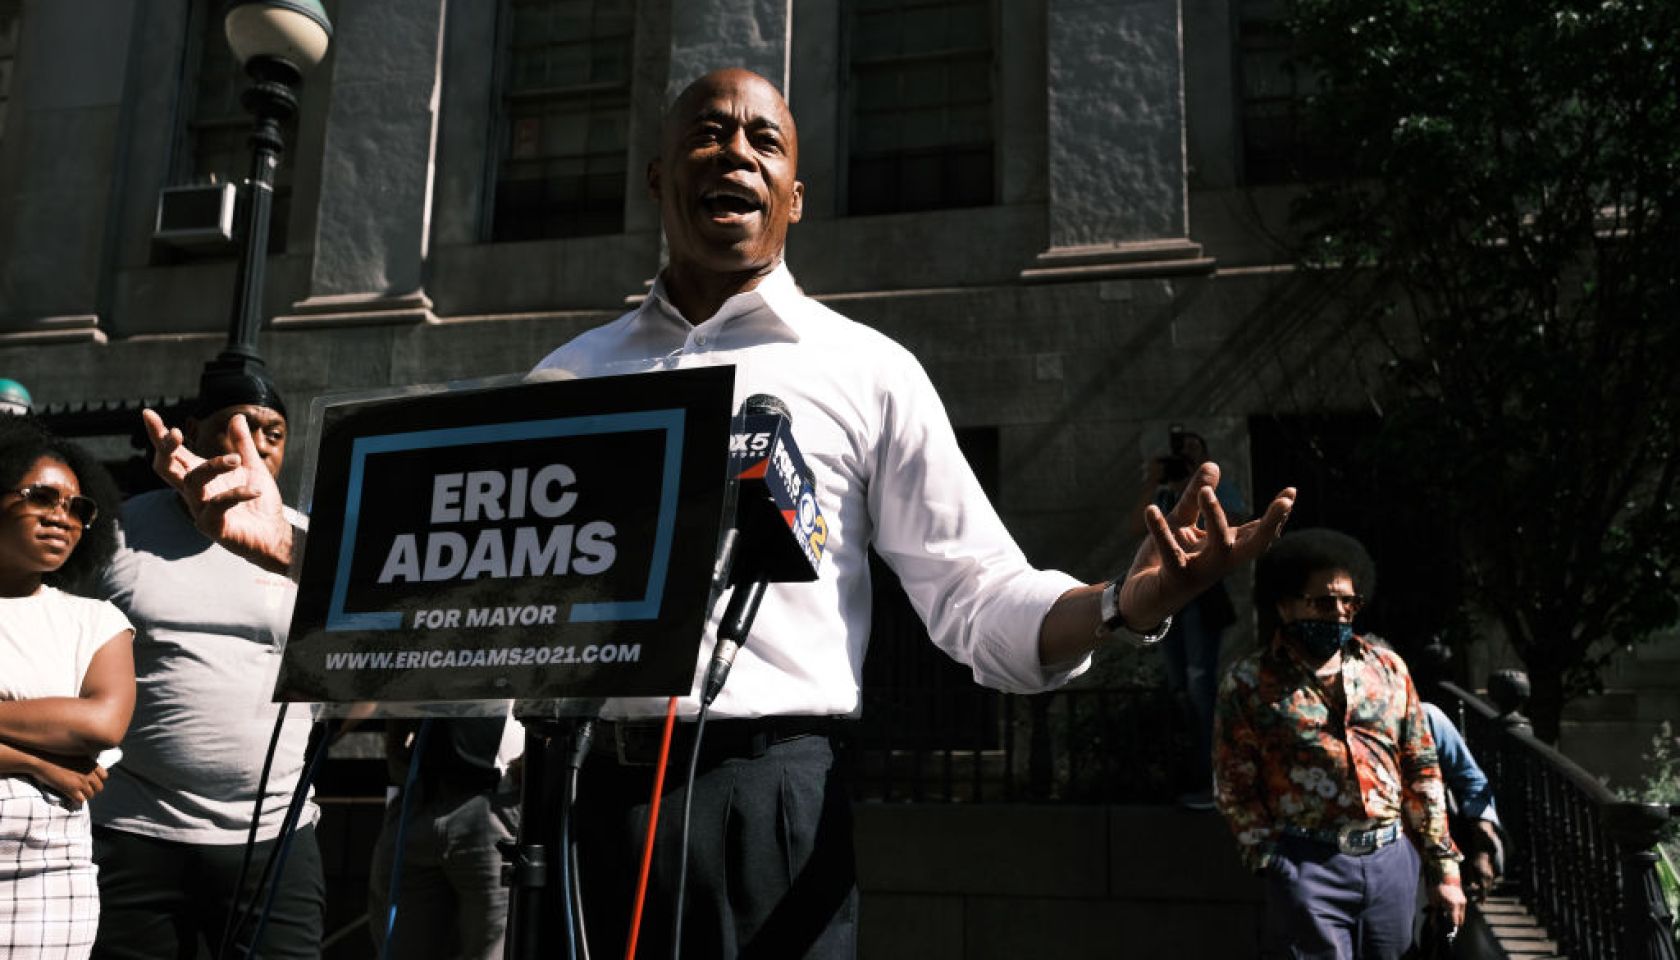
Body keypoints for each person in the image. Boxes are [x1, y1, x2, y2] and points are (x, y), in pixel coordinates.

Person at [138, 68, 1297, 958]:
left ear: (796, 192)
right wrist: (289, 541)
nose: (731, 150)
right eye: (705, 130)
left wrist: (1124, 605)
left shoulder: (866, 369)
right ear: (658, 180)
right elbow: (462, 592)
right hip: (578, 799)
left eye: (763, 139)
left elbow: (977, 601)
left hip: (770, 801)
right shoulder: (568, 380)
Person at [89, 364, 324, 960]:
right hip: (134, 828)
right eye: (234, 426)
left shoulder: (304, 542)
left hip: (274, 833)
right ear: (191, 432)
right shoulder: (118, 531)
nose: (257, 443)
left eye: (273, 431)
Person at [1213, 528, 1466, 959]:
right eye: (1324, 602)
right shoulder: (1248, 683)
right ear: (1285, 605)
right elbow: (1233, 784)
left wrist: (1444, 871)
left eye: (1349, 602)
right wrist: (1271, 859)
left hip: (1392, 861)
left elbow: (1422, 768)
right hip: (1306, 864)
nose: (1339, 613)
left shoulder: (1387, 669)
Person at [0, 415, 135, 958]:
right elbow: (70, 738)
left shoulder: (96, 621)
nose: (62, 516)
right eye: (42, 497)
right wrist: (39, 762)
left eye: (78, 507)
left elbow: (100, 724)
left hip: (47, 877)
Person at [1130, 427, 1247, 810]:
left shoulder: (1213, 487)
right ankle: (1189, 773)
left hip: (1199, 594)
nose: (1187, 458)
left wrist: (1199, 486)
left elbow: (1234, 522)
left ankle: (1214, 780)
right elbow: (1137, 527)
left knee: (1201, 685)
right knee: (1179, 686)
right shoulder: (1164, 492)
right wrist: (1154, 480)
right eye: (1182, 453)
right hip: (1167, 597)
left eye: (1195, 451)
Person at [368, 712, 524, 960]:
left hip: (492, 794)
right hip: (419, 793)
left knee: (493, 945)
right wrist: (395, 739)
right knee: (400, 944)